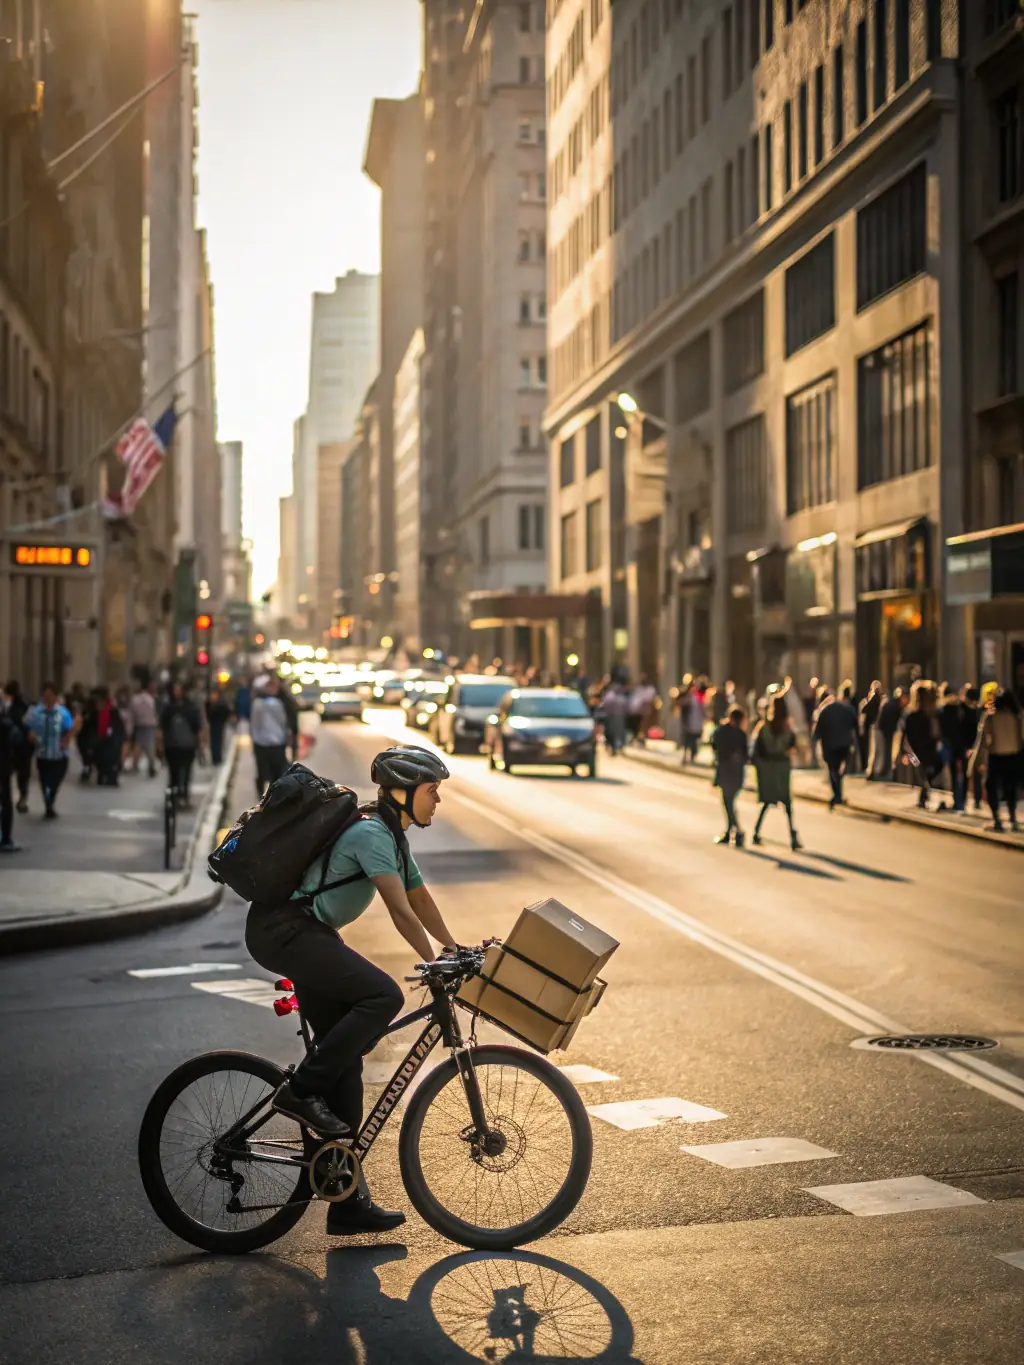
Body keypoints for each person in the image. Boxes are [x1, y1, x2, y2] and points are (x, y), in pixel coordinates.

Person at [245, 745, 458, 1236]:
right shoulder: (371, 834)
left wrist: (452, 946)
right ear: (403, 794)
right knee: (384, 995)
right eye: (431, 792)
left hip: (304, 933)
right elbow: (400, 909)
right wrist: (432, 962)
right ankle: (299, 1092)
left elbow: (419, 897)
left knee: (345, 1060)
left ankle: (344, 1199)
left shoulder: (391, 835)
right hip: (286, 931)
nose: (437, 801)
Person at [751, 693, 802, 851]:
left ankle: (756, 831)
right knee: (787, 803)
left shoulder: (764, 727)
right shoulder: (787, 728)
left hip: (769, 768)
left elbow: (757, 751)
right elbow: (793, 746)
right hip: (782, 767)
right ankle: (793, 836)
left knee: (767, 801)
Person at [970, 689, 1023, 832]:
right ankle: (1013, 819)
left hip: (997, 757)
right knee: (1011, 789)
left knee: (991, 787)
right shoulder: (1018, 717)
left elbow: (983, 742)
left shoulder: (991, 717)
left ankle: (997, 819)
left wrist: (977, 761)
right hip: (1014, 756)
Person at [24, 682, 74, 818]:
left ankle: (51, 798)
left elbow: (70, 728)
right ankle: (48, 804)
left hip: (59, 753)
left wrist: (66, 738)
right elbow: (27, 727)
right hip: (43, 753)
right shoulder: (36, 712)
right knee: (44, 779)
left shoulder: (63, 713)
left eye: (50, 695)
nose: (47, 698)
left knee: (56, 779)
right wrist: (31, 735)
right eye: (45, 695)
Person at [160, 681, 205, 808]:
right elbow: (162, 727)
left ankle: (184, 795)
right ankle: (174, 797)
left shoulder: (191, 708)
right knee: (173, 772)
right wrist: (160, 745)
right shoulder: (169, 708)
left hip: (188, 746)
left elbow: (199, 728)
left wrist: (201, 745)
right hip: (171, 746)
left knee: (186, 772)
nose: (177, 693)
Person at [812, 686, 859, 809]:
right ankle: (838, 796)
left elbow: (817, 732)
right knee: (839, 770)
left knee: (833, 770)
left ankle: (837, 795)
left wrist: (815, 743)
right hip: (844, 744)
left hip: (830, 746)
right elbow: (855, 724)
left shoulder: (824, 711)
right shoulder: (847, 709)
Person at [711, 705, 749, 846]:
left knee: (728, 803)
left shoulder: (722, 731)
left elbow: (714, 745)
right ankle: (730, 831)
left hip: (726, 772)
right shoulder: (741, 734)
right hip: (737, 773)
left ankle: (737, 831)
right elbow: (746, 756)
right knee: (729, 803)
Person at [250, 675, 293, 795]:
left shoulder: (265, 703)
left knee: (271, 772)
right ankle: (269, 796)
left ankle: (269, 796)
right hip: (268, 743)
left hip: (270, 743)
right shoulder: (263, 704)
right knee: (269, 772)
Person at [0, 689, 27, 850]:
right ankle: (6, 839)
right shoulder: (6, 725)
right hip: (3, 767)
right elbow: (17, 741)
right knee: (5, 801)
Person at [130, 680, 160, 777]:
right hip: (150, 725)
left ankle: (135, 765)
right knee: (150, 746)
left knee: (138, 745)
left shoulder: (135, 699)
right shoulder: (151, 699)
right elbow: (155, 712)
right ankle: (151, 765)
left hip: (139, 725)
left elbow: (132, 713)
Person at [206, 688, 232, 765]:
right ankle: (215, 757)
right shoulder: (209, 704)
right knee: (214, 741)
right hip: (213, 724)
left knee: (218, 740)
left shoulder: (221, 704)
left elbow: (226, 712)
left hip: (219, 724)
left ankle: (218, 757)